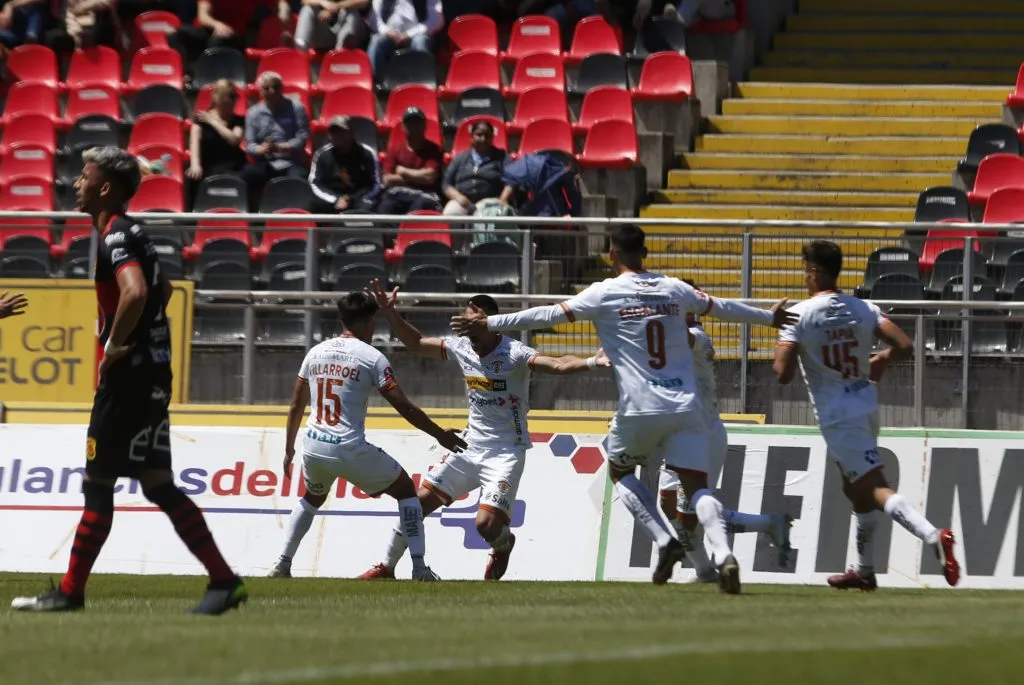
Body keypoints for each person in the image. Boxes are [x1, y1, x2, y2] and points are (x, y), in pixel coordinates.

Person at [451, 224, 796, 592]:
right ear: (644, 252)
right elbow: (723, 307)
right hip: (685, 409)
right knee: (697, 490)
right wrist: (768, 319)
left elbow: (547, 315)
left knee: (621, 471)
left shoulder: (606, 292)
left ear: (611, 253)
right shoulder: (674, 289)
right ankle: (723, 555)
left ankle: (664, 542)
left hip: (640, 407)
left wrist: (490, 322)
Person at [11, 146, 247, 614]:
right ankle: (224, 581)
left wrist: (115, 345)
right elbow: (165, 289)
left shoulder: (115, 234)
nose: (74, 183)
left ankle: (70, 592)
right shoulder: (136, 232)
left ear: (104, 189)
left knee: (98, 484)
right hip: (155, 374)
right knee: (158, 483)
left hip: (129, 379)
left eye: (83, 176)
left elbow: (137, 292)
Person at [356, 281, 609, 580]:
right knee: (415, 504)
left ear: (488, 323)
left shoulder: (513, 353)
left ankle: (503, 544)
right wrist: (390, 313)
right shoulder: (462, 346)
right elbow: (416, 343)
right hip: (469, 447)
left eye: (471, 323)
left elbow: (556, 364)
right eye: (463, 323)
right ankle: (387, 566)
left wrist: (593, 361)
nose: (465, 329)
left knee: (486, 526)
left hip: (506, 452)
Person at [773, 241, 960, 591]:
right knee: (854, 487)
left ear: (813, 272)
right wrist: (883, 358)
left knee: (873, 487)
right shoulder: (864, 308)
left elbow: (781, 373)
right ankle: (865, 570)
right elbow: (904, 346)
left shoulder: (799, 314)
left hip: (837, 416)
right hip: (866, 404)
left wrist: (780, 334)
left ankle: (933, 535)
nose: (804, 276)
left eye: (805, 270)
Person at [267, 291, 467, 580]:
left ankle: (282, 564)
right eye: (372, 322)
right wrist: (438, 434)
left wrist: (288, 450)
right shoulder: (372, 357)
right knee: (406, 491)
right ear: (364, 322)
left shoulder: (316, 352)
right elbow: (402, 405)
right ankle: (420, 567)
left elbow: (297, 404)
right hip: (348, 446)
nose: (374, 328)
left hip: (314, 445)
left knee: (311, 497)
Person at [657, 282, 791, 582]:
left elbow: (675, 338)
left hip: (702, 434)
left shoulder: (696, 337)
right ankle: (710, 566)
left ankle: (719, 561)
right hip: (679, 433)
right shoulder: (673, 338)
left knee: (690, 515)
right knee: (668, 505)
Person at [241, 71, 311, 203]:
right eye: (267, 88)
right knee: (243, 176)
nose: (272, 91)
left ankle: (298, 217)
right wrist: (262, 149)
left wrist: (280, 147)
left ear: (281, 89)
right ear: (260, 91)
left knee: (299, 178)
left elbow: (302, 138)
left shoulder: (296, 108)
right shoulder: (253, 113)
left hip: (291, 161)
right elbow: (250, 144)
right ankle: (245, 216)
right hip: (265, 162)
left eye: (276, 87)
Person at [377, 107, 443, 216]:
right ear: (403, 126)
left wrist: (402, 171)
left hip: (425, 195)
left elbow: (430, 178)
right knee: (386, 207)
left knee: (418, 209)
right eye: (409, 123)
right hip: (398, 194)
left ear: (424, 125)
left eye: (417, 123)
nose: (413, 127)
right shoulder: (394, 150)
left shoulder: (434, 150)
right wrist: (418, 177)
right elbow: (387, 180)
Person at [308, 115, 380, 215]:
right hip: (332, 197)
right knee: (312, 205)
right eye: (333, 132)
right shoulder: (321, 155)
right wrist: (336, 199)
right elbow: (315, 183)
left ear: (351, 133)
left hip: (358, 198)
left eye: (341, 131)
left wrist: (350, 199)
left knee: (370, 207)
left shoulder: (367, 153)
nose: (337, 135)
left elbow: (374, 184)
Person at [442, 120, 507, 219]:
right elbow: (446, 184)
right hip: (462, 201)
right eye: (479, 135)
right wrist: (459, 198)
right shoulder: (461, 157)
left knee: (486, 216)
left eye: (487, 135)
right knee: (450, 213)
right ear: (471, 137)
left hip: (490, 201)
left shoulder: (501, 157)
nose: (483, 139)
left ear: (492, 138)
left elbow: (511, 181)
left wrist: (502, 200)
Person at [187, 78, 246, 183]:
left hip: (233, 166)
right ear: (219, 98)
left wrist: (213, 122)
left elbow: (234, 140)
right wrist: (195, 164)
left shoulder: (238, 121)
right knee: (192, 175)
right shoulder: (201, 118)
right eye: (231, 96)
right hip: (209, 165)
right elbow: (194, 143)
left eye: (235, 97)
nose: (234, 101)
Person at [366, 0, 443, 78]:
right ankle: (374, 81)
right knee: (376, 41)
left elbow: (435, 21)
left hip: (417, 34)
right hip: (389, 34)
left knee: (419, 41)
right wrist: (387, 31)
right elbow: (373, 19)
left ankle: (421, 80)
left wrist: (409, 34)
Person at [294, 0, 368, 51]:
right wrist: (322, 2)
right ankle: (301, 45)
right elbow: (305, 1)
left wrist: (337, 7)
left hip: (348, 32)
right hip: (324, 31)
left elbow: (364, 2)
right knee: (307, 9)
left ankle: (342, 52)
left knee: (352, 14)